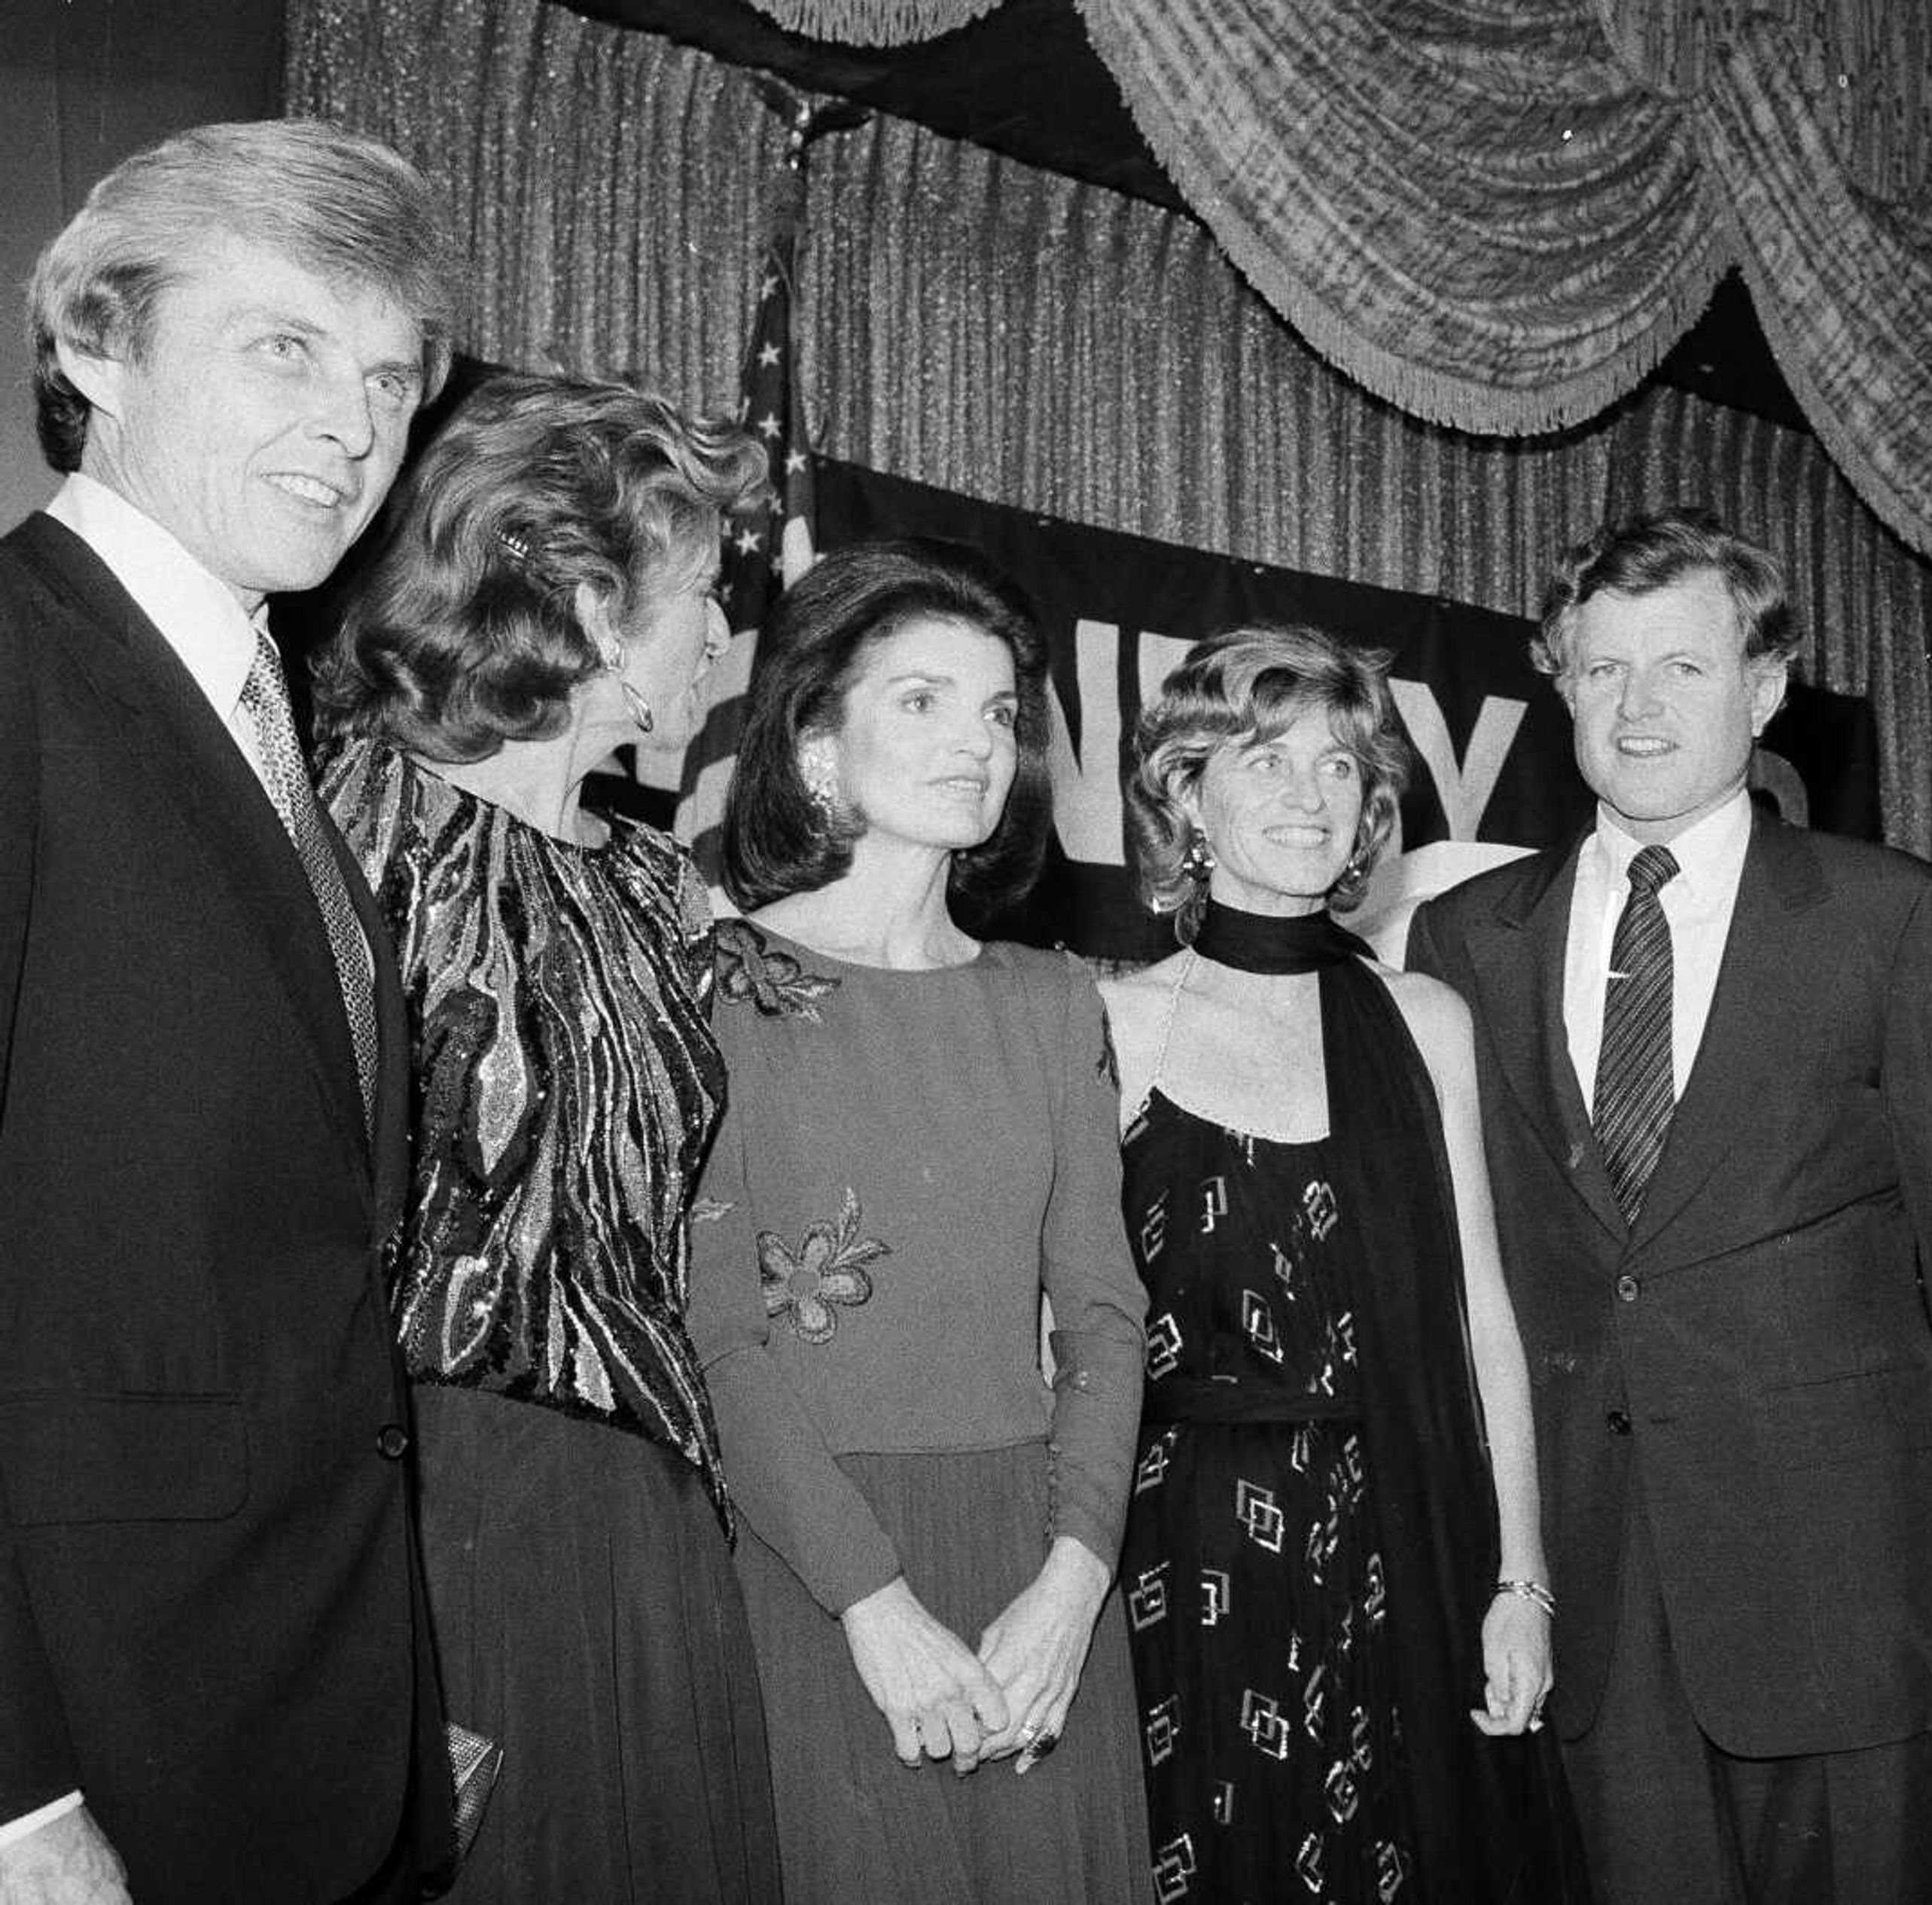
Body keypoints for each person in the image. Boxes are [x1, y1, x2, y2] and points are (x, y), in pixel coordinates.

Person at [1406, 507, 1932, 1904]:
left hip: (1853, 1579)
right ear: (1562, 686)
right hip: (1597, 1587)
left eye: (1684, 669)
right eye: (1602, 670)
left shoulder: (1892, 917)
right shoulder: (1464, 939)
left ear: (1763, 691)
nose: (1638, 708)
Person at [0, 119, 459, 1905]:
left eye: (392, 377)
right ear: (97, 345)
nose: (354, 425)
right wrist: (18, 1796)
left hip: (292, 1724)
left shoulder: (255, 720)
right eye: (285, 344)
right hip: (94, 1751)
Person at [311, 370, 781, 1901]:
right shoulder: (360, 824)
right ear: (587, 599)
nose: (723, 634)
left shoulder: (659, 885)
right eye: (702, 591)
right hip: (443, 1504)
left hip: (651, 1500)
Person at [693, 540, 1150, 1902]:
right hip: (811, 1561)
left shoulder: (1054, 1002)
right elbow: (718, 1337)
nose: (977, 744)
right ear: (816, 739)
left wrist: (1075, 1585)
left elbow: (1109, 1323)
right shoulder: (715, 986)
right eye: (923, 701)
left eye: (1001, 713)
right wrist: (872, 1606)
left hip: (1038, 1560)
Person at [1104, 624, 1583, 1903]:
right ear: (1184, 795)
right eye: (1266, 762)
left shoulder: (1427, 1021)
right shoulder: (1114, 1027)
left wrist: (1519, 1579)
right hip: (1188, 1554)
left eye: (1337, 767)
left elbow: (1489, 1319)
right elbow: (1071, 1345)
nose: (1311, 798)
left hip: (1410, 1537)